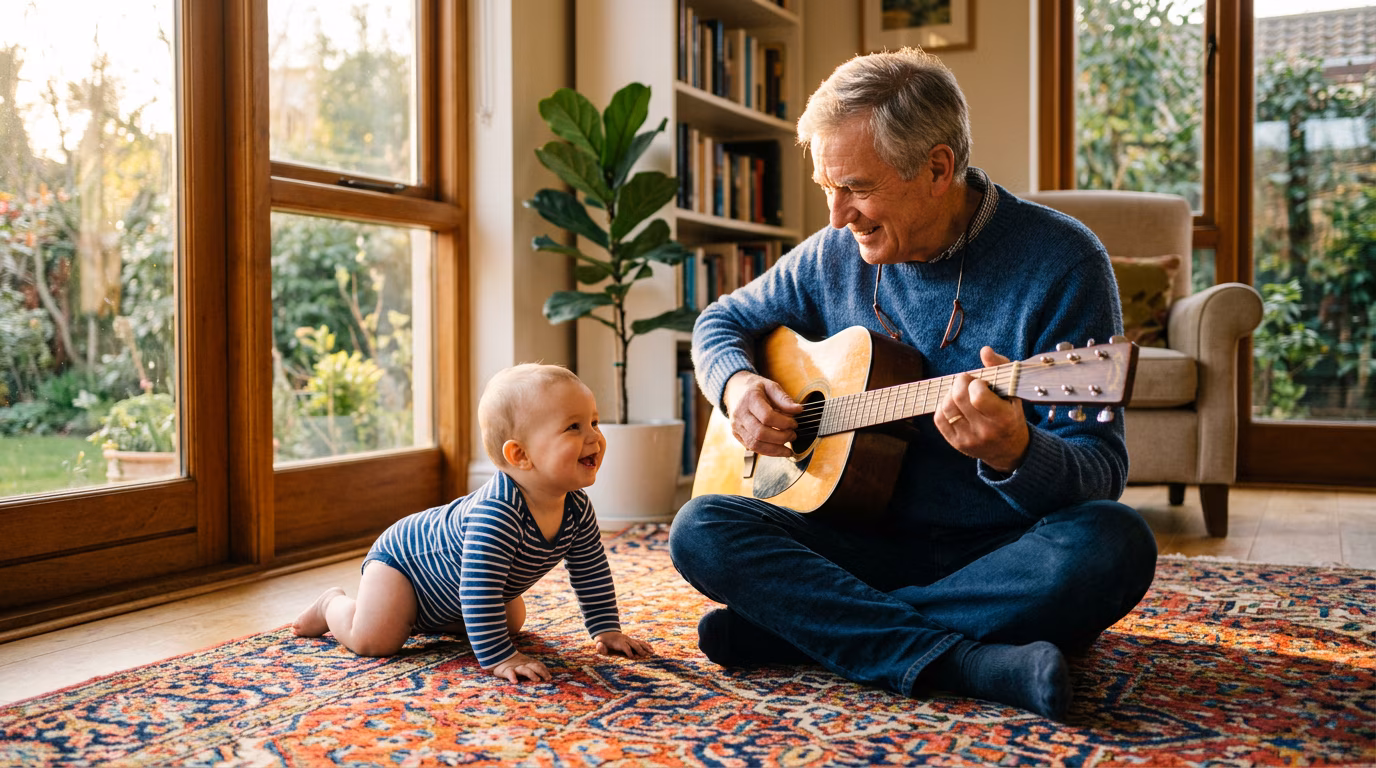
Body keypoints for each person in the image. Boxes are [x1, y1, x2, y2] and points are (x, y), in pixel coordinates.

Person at [669, 48, 1157, 721]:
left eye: (857, 188)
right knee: (700, 528)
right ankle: (967, 661)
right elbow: (720, 322)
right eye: (827, 188)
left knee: (1114, 544)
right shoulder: (832, 255)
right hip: (854, 545)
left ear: (937, 168)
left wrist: (1016, 453)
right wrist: (738, 387)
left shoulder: (1061, 261)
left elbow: (1100, 470)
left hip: (998, 556)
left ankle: (809, 630)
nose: (838, 216)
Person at [293, 363, 653, 682]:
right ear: (520, 455)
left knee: (511, 620)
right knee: (375, 641)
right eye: (573, 427)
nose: (594, 437)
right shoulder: (498, 514)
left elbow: (591, 572)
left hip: (453, 589)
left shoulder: (577, 508)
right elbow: (478, 589)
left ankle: (431, 621)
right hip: (404, 567)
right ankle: (333, 605)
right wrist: (501, 658)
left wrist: (607, 630)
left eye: (594, 421)